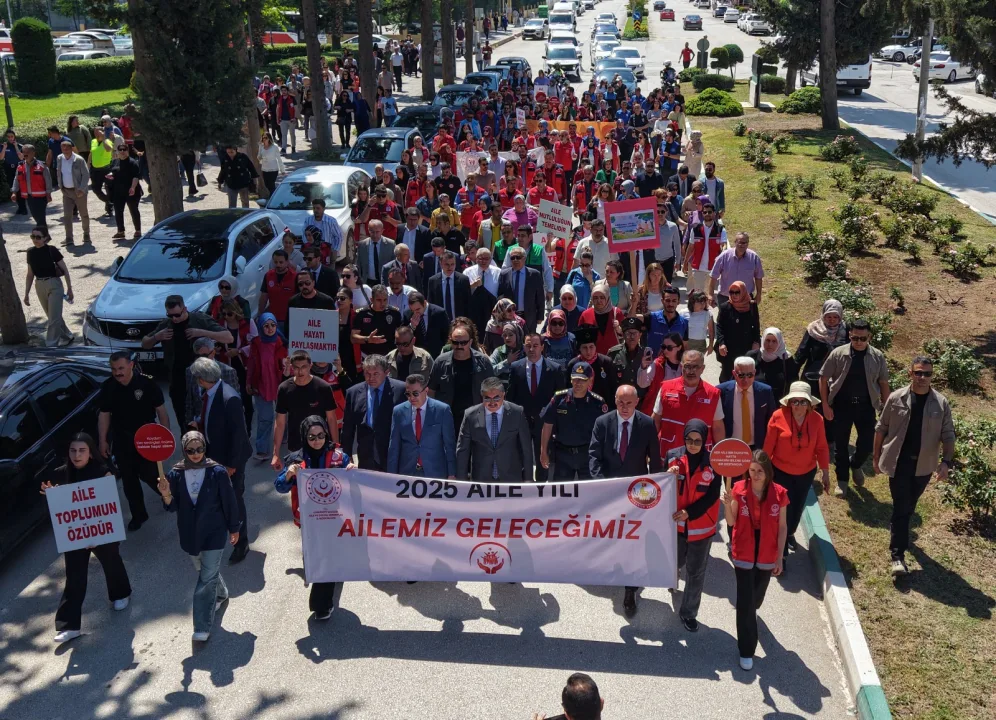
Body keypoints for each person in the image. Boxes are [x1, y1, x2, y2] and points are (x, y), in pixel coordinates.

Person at [41, 433, 132, 644]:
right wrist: (51, 494)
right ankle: (69, 625)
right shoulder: (61, 474)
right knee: (74, 576)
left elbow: (108, 501)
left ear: (90, 453)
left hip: (101, 531)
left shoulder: (102, 472)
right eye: (73, 450)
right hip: (75, 534)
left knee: (112, 563)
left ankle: (121, 594)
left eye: (82, 450)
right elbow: (61, 506)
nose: (76, 455)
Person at [873, 356, 956, 576]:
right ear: (910, 373)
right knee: (901, 507)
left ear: (932, 376)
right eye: (918, 373)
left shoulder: (941, 403)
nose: (922, 377)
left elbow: (948, 434)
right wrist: (875, 458)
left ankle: (898, 530)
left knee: (909, 507)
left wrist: (946, 462)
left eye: (927, 373)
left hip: (924, 467)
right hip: (898, 463)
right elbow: (881, 428)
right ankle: (897, 557)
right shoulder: (896, 397)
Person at [157, 431, 241, 643]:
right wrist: (166, 493)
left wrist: (234, 528)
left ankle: (202, 626)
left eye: (200, 449)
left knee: (205, 579)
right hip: (190, 533)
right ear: (185, 451)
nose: (196, 454)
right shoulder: (175, 473)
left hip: (214, 531)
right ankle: (221, 594)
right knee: (205, 571)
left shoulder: (218, 471)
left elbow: (229, 502)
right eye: (191, 450)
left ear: (205, 448)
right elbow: (172, 507)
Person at [589, 385, 662, 616]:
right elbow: (594, 456)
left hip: (636, 495)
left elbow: (656, 461)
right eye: (620, 402)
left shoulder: (648, 424)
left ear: (637, 402)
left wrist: (656, 492)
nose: (624, 407)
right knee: (611, 536)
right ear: (615, 400)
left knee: (632, 541)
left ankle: (630, 590)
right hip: (608, 493)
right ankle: (612, 569)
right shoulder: (602, 422)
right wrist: (602, 486)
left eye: (629, 403)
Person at [273, 415, 350, 619]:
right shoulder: (295, 459)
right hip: (309, 519)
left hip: (335, 517)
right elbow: (280, 486)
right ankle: (326, 577)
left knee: (326, 558)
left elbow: (353, 485)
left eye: (320, 435)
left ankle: (321, 605)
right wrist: (288, 475)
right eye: (311, 436)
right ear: (304, 437)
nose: (316, 440)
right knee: (316, 558)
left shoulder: (339, 457)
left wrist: (352, 472)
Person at [724, 449, 788, 670]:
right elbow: (731, 521)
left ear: (768, 472)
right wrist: (726, 503)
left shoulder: (779, 494)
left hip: (767, 553)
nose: (755, 475)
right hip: (743, 550)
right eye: (751, 470)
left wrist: (779, 557)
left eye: (759, 471)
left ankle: (753, 608)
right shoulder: (739, 490)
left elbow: (782, 527)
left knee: (756, 597)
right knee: (745, 603)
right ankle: (746, 650)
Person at [189, 357, 252, 564]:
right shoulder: (211, 392)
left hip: (230, 462)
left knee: (233, 501)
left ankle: (241, 544)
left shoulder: (229, 397)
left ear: (201, 379)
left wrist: (231, 465)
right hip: (216, 456)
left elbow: (239, 435)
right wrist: (199, 423)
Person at [97, 351, 169, 530]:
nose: (117, 372)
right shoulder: (108, 387)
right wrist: (103, 440)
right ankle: (139, 515)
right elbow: (104, 414)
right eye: (114, 369)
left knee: (151, 474)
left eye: (121, 368)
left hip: (147, 437)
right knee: (129, 481)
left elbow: (161, 411)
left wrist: (165, 437)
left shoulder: (147, 383)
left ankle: (170, 497)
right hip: (122, 439)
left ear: (131, 365)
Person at [819, 318, 891, 497]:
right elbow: (823, 378)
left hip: (866, 406)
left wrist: (887, 409)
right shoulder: (838, 353)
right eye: (855, 338)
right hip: (841, 405)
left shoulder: (877, 356)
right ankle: (842, 480)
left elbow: (883, 383)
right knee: (840, 445)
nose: (858, 342)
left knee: (867, 443)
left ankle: (856, 464)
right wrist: (826, 405)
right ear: (850, 336)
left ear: (870, 337)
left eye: (863, 338)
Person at [763, 381, 831, 566]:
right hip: (780, 472)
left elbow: (822, 447)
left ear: (810, 404)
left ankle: (790, 533)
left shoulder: (817, 420)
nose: (798, 406)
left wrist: (825, 472)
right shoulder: (777, 417)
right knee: (783, 511)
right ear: (789, 402)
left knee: (797, 509)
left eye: (803, 402)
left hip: (805, 473)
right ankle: (781, 554)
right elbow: (768, 448)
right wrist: (763, 472)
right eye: (795, 401)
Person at [142, 295, 232, 432]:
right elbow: (145, 344)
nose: (174, 319)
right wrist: (157, 337)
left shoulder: (199, 319)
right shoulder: (166, 325)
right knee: (184, 421)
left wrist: (201, 332)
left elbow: (228, 337)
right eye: (170, 315)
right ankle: (188, 447)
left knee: (205, 419)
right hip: (177, 379)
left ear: (185, 309)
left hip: (201, 378)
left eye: (177, 315)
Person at [507, 333, 566, 481]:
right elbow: (510, 397)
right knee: (522, 457)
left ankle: (541, 489)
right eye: (528, 346)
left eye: (535, 345)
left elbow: (560, 398)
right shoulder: (515, 368)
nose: (532, 349)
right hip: (522, 422)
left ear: (542, 347)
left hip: (545, 424)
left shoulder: (554, 369)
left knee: (543, 459)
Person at [455, 376, 533, 482]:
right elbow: (462, 450)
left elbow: (526, 448)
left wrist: (528, 478)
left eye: (496, 398)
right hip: (481, 479)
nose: (492, 402)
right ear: (482, 396)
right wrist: (461, 480)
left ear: (503, 395)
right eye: (487, 398)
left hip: (511, 477)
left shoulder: (517, 413)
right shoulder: (470, 415)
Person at [271, 350, 340, 469]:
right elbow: (280, 422)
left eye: (304, 367)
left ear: (310, 366)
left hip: (320, 445)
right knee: (296, 484)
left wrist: (336, 447)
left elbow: (332, 419)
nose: (300, 371)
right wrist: (275, 453)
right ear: (292, 367)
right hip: (295, 447)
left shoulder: (323, 387)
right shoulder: (284, 388)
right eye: (296, 368)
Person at [794, 299, 848, 448]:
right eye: (828, 316)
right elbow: (802, 352)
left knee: (832, 407)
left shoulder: (846, 331)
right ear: (823, 315)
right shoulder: (813, 330)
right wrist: (792, 371)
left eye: (835, 317)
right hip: (813, 377)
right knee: (813, 408)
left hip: (836, 379)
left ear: (840, 317)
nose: (831, 320)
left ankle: (828, 438)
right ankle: (809, 436)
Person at [540, 362, 607, 481]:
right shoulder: (559, 399)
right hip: (563, 454)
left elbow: (604, 432)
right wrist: (543, 451)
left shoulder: (598, 403)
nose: (578, 383)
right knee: (562, 493)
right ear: (570, 379)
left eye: (582, 380)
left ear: (590, 381)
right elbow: (547, 425)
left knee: (588, 493)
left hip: (587, 454)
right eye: (575, 379)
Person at [652, 349, 725, 455]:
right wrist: (648, 447)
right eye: (687, 366)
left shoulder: (713, 394)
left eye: (696, 367)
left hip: (700, 458)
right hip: (670, 454)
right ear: (681, 367)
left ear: (702, 369)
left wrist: (720, 454)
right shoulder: (666, 388)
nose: (691, 371)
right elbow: (656, 420)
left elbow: (718, 428)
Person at [340, 354, 406, 471]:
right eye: (367, 374)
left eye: (376, 374)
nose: (371, 378)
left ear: (386, 372)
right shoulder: (353, 392)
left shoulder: (401, 390)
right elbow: (348, 428)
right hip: (366, 456)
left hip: (393, 454)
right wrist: (346, 456)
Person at [429, 324, 496, 434]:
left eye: (463, 343)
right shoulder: (440, 362)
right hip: (448, 419)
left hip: (476, 419)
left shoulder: (483, 362)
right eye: (456, 343)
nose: (459, 346)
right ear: (451, 342)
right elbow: (431, 390)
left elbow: (493, 390)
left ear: (470, 342)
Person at [386, 373, 456, 478]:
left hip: (435, 472)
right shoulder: (398, 411)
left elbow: (449, 445)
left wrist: (452, 473)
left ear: (426, 391)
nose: (411, 398)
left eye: (415, 393)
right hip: (407, 472)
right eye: (408, 394)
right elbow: (394, 446)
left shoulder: (442, 410)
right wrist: (391, 474)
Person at [23, 226, 75, 347]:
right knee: (52, 315)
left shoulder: (52, 250)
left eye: (38, 237)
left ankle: (51, 345)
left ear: (45, 238)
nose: (35, 239)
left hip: (54, 284)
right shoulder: (30, 252)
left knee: (53, 319)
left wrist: (69, 288)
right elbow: (30, 274)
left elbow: (65, 270)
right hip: (39, 285)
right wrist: (26, 293)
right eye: (33, 236)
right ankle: (67, 335)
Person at [246, 313, 287, 460]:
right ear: (260, 327)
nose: (270, 329)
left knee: (283, 414)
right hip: (261, 385)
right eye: (266, 326)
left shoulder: (281, 342)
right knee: (265, 418)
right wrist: (249, 382)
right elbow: (251, 363)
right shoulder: (256, 343)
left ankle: (284, 436)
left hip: (280, 384)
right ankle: (262, 449)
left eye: (273, 325)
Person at [718, 357, 775, 450]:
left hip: (757, 447)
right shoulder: (721, 391)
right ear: (734, 373)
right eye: (741, 375)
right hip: (730, 446)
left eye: (750, 375)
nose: (746, 379)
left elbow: (771, 420)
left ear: (754, 372)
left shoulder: (765, 391)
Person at [183, 337, 241, 428]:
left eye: (205, 356)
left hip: (221, 426)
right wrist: (189, 424)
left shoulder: (227, 372)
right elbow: (190, 401)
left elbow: (236, 403)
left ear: (213, 352)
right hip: (199, 425)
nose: (201, 360)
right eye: (198, 356)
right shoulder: (190, 371)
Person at [715, 280, 761, 383]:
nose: (734, 295)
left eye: (737, 292)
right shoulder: (725, 307)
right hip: (729, 348)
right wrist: (721, 343)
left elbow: (756, 326)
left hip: (746, 346)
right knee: (726, 375)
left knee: (744, 374)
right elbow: (719, 326)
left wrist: (756, 341)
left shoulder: (752, 306)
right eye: (732, 292)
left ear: (743, 292)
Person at [708, 231, 764, 308]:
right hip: (726, 297)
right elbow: (713, 276)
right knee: (724, 320)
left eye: (745, 243)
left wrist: (759, 294)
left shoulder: (754, 257)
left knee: (745, 320)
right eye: (740, 242)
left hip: (745, 298)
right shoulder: (724, 256)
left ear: (748, 243)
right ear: (735, 242)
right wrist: (710, 294)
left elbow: (758, 277)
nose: (742, 245)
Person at [682, 201, 727, 293]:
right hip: (697, 268)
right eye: (705, 212)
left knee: (709, 294)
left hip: (713, 269)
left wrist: (723, 252)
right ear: (702, 214)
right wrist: (685, 263)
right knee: (699, 295)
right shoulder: (695, 229)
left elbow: (724, 245)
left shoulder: (721, 229)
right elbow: (691, 247)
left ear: (714, 213)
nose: (707, 214)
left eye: (709, 212)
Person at [499, 246, 545, 331]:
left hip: (529, 316)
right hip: (510, 316)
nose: (515, 260)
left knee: (528, 341)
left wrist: (540, 316)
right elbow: (500, 295)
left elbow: (540, 297)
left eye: (518, 257)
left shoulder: (534, 274)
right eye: (513, 258)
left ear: (524, 258)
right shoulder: (504, 274)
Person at [55, 139, 91, 244]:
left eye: (67, 148)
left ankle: (86, 234)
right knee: (67, 216)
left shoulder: (79, 160)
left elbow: (86, 175)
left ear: (71, 149)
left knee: (84, 214)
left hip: (79, 191)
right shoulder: (59, 158)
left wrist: (81, 189)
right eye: (63, 148)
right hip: (66, 191)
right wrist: (60, 186)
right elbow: (59, 173)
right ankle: (69, 237)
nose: (65, 150)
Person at [106, 140, 143, 239]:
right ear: (117, 151)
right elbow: (112, 172)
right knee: (118, 211)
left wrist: (133, 187)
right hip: (118, 191)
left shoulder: (133, 162)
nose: (122, 151)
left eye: (124, 149)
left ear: (128, 151)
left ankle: (138, 230)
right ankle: (120, 231)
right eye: (120, 150)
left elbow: (136, 177)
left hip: (131, 191)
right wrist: (110, 175)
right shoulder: (114, 161)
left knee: (133, 210)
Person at [748, 328, 797, 400]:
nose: (770, 344)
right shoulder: (752, 356)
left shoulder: (786, 359)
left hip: (778, 404)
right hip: (754, 401)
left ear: (779, 342)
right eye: (767, 340)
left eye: (774, 341)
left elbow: (793, 384)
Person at [11, 144, 53, 227]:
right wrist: (14, 192)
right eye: (23, 152)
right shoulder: (20, 166)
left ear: (33, 153)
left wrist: (49, 194)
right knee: (36, 217)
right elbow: (16, 180)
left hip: (41, 197)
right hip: (29, 197)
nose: (25, 154)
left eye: (28, 152)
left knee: (40, 218)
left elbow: (48, 181)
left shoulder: (42, 166)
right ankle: (43, 235)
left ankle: (42, 235)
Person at [578, 285, 625, 356]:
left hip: (614, 356)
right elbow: (579, 338)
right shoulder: (586, 314)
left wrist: (619, 329)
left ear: (607, 298)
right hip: (593, 357)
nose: (599, 301)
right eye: (595, 298)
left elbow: (626, 334)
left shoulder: (617, 313)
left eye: (602, 297)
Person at [258, 249, 299, 325]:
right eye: (275, 262)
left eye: (281, 262)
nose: (278, 265)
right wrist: (260, 314)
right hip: (273, 319)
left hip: (290, 319)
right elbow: (264, 296)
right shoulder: (268, 276)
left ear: (287, 262)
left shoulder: (295, 277)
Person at [428, 251, 472, 321]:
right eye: (447, 264)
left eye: (452, 264)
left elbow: (468, 304)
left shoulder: (463, 280)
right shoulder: (433, 281)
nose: (450, 267)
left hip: (459, 322)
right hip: (440, 323)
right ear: (441, 264)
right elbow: (431, 304)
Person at [404, 291, 449, 358]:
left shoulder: (439, 313)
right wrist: (412, 326)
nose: (415, 313)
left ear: (424, 303)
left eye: (418, 309)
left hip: (437, 354)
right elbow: (404, 337)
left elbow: (446, 334)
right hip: (418, 356)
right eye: (412, 310)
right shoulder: (408, 314)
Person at [258, 132, 284, 197]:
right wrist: (259, 157)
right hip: (264, 169)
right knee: (267, 184)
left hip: (273, 169)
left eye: (266, 138)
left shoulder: (274, 147)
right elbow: (258, 156)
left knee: (271, 185)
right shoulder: (261, 146)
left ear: (269, 138)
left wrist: (282, 170)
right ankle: (274, 196)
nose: (264, 139)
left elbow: (279, 159)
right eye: (263, 137)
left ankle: (273, 199)